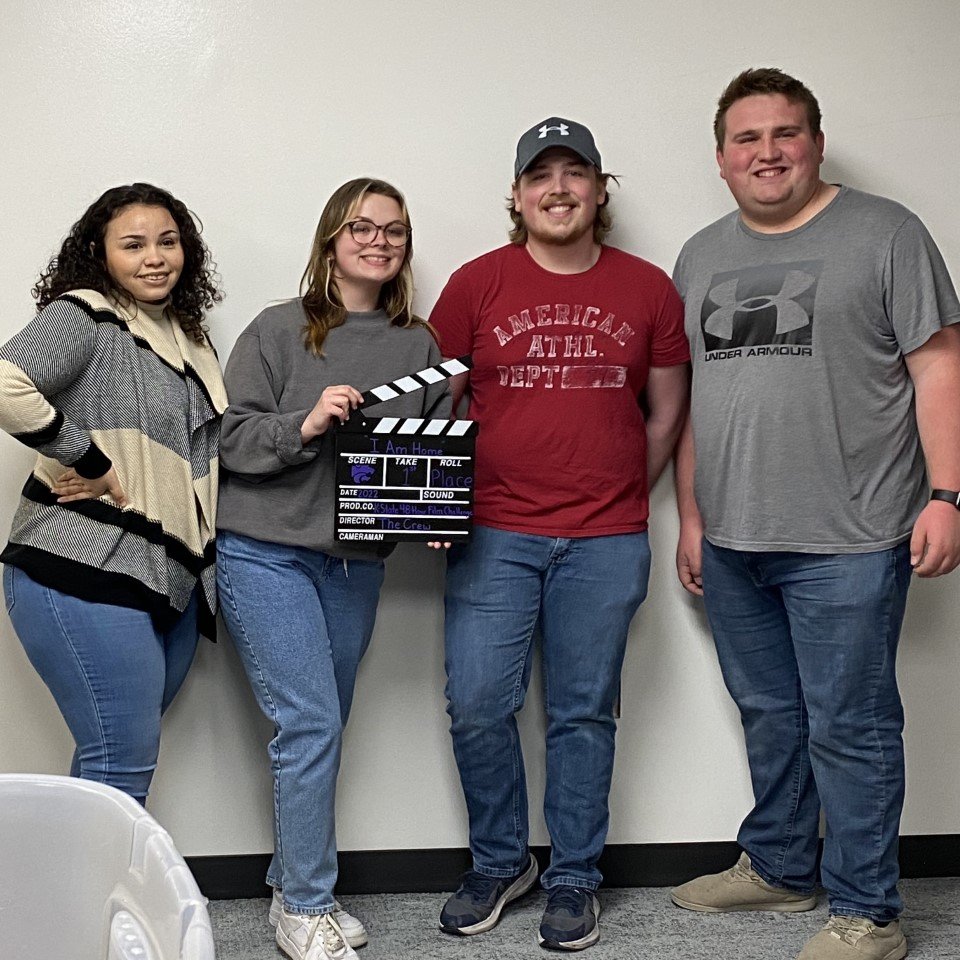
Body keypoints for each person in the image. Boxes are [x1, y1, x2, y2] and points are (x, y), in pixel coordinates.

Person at [670, 68, 960, 960]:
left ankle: (870, 911)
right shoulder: (699, 254)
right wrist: (690, 519)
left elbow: (939, 367)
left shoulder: (886, 234)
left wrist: (948, 494)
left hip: (853, 536)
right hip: (733, 539)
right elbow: (693, 403)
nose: (768, 152)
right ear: (721, 159)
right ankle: (782, 867)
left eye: (784, 133)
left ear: (816, 142)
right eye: (747, 139)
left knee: (853, 723)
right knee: (771, 712)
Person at [429, 118, 690, 951]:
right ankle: (502, 861)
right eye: (539, 175)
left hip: (607, 538)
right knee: (477, 703)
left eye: (574, 172)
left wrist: (616, 493)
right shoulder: (476, 285)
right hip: (493, 532)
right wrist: (437, 505)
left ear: (599, 189)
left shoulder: (649, 287)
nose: (557, 188)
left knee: (584, 714)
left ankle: (575, 877)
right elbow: (438, 407)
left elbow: (667, 413)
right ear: (516, 195)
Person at [216, 178, 450, 960]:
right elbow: (230, 443)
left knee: (323, 724)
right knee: (309, 723)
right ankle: (307, 905)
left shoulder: (418, 345)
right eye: (361, 227)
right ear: (329, 240)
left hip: (355, 565)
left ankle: (290, 879)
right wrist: (306, 424)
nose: (378, 241)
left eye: (394, 230)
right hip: (266, 552)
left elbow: (423, 456)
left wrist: (438, 513)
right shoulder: (278, 331)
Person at [0, 182, 226, 804]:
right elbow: (4, 381)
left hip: (170, 579)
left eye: (168, 242)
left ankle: (62, 895)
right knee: (121, 758)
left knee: (110, 757)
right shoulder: (86, 313)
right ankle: (95, 905)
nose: (155, 258)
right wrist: (89, 459)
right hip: (82, 563)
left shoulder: (192, 340)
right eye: (133, 245)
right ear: (102, 255)